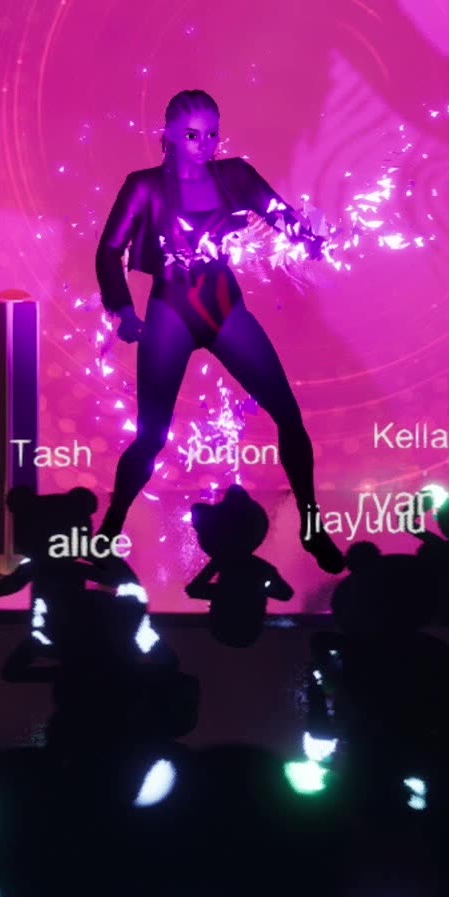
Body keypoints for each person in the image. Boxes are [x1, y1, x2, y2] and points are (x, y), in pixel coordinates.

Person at [92, 90, 344, 572]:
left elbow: (283, 219)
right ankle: (108, 532)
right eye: (191, 135)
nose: (204, 144)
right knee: (151, 437)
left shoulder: (236, 175)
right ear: (166, 134)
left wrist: (312, 241)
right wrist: (122, 310)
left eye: (211, 134)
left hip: (225, 309)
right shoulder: (143, 186)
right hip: (171, 312)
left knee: (289, 418)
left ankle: (313, 529)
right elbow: (109, 252)